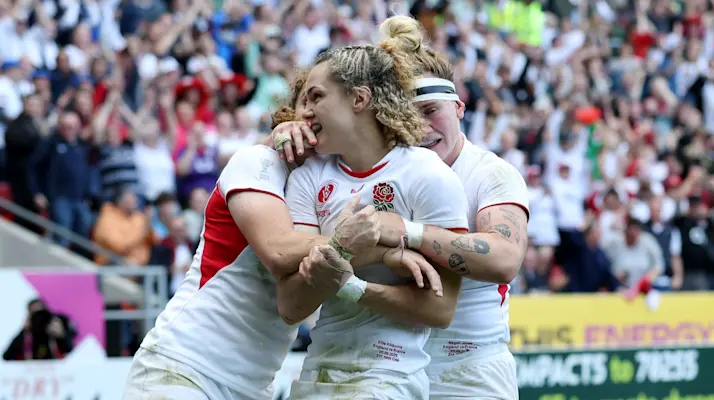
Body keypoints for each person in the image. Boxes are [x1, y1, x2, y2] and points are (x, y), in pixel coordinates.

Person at [122, 71, 439, 400]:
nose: (314, 112)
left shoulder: (330, 187)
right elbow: (278, 251)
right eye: (307, 101)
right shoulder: (257, 161)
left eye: (322, 100)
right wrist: (386, 245)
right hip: (185, 367)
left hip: (252, 385)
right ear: (291, 114)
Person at [273, 16, 530, 399]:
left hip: (467, 368)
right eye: (410, 113)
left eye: (431, 111)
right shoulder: (370, 167)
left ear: (459, 107)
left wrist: (405, 232)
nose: (422, 128)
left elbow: (505, 260)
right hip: (394, 364)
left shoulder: (489, 173)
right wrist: (284, 131)